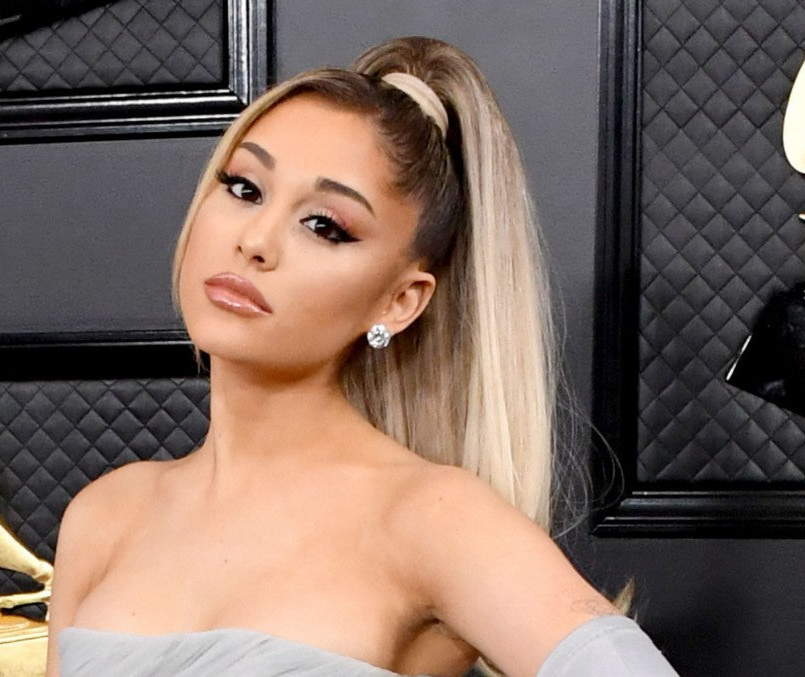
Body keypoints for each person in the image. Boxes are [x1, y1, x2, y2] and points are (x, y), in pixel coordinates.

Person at [45, 37, 679, 676]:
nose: (256, 240)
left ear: (400, 302)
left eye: (325, 225)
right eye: (244, 188)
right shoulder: (106, 517)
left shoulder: (432, 518)